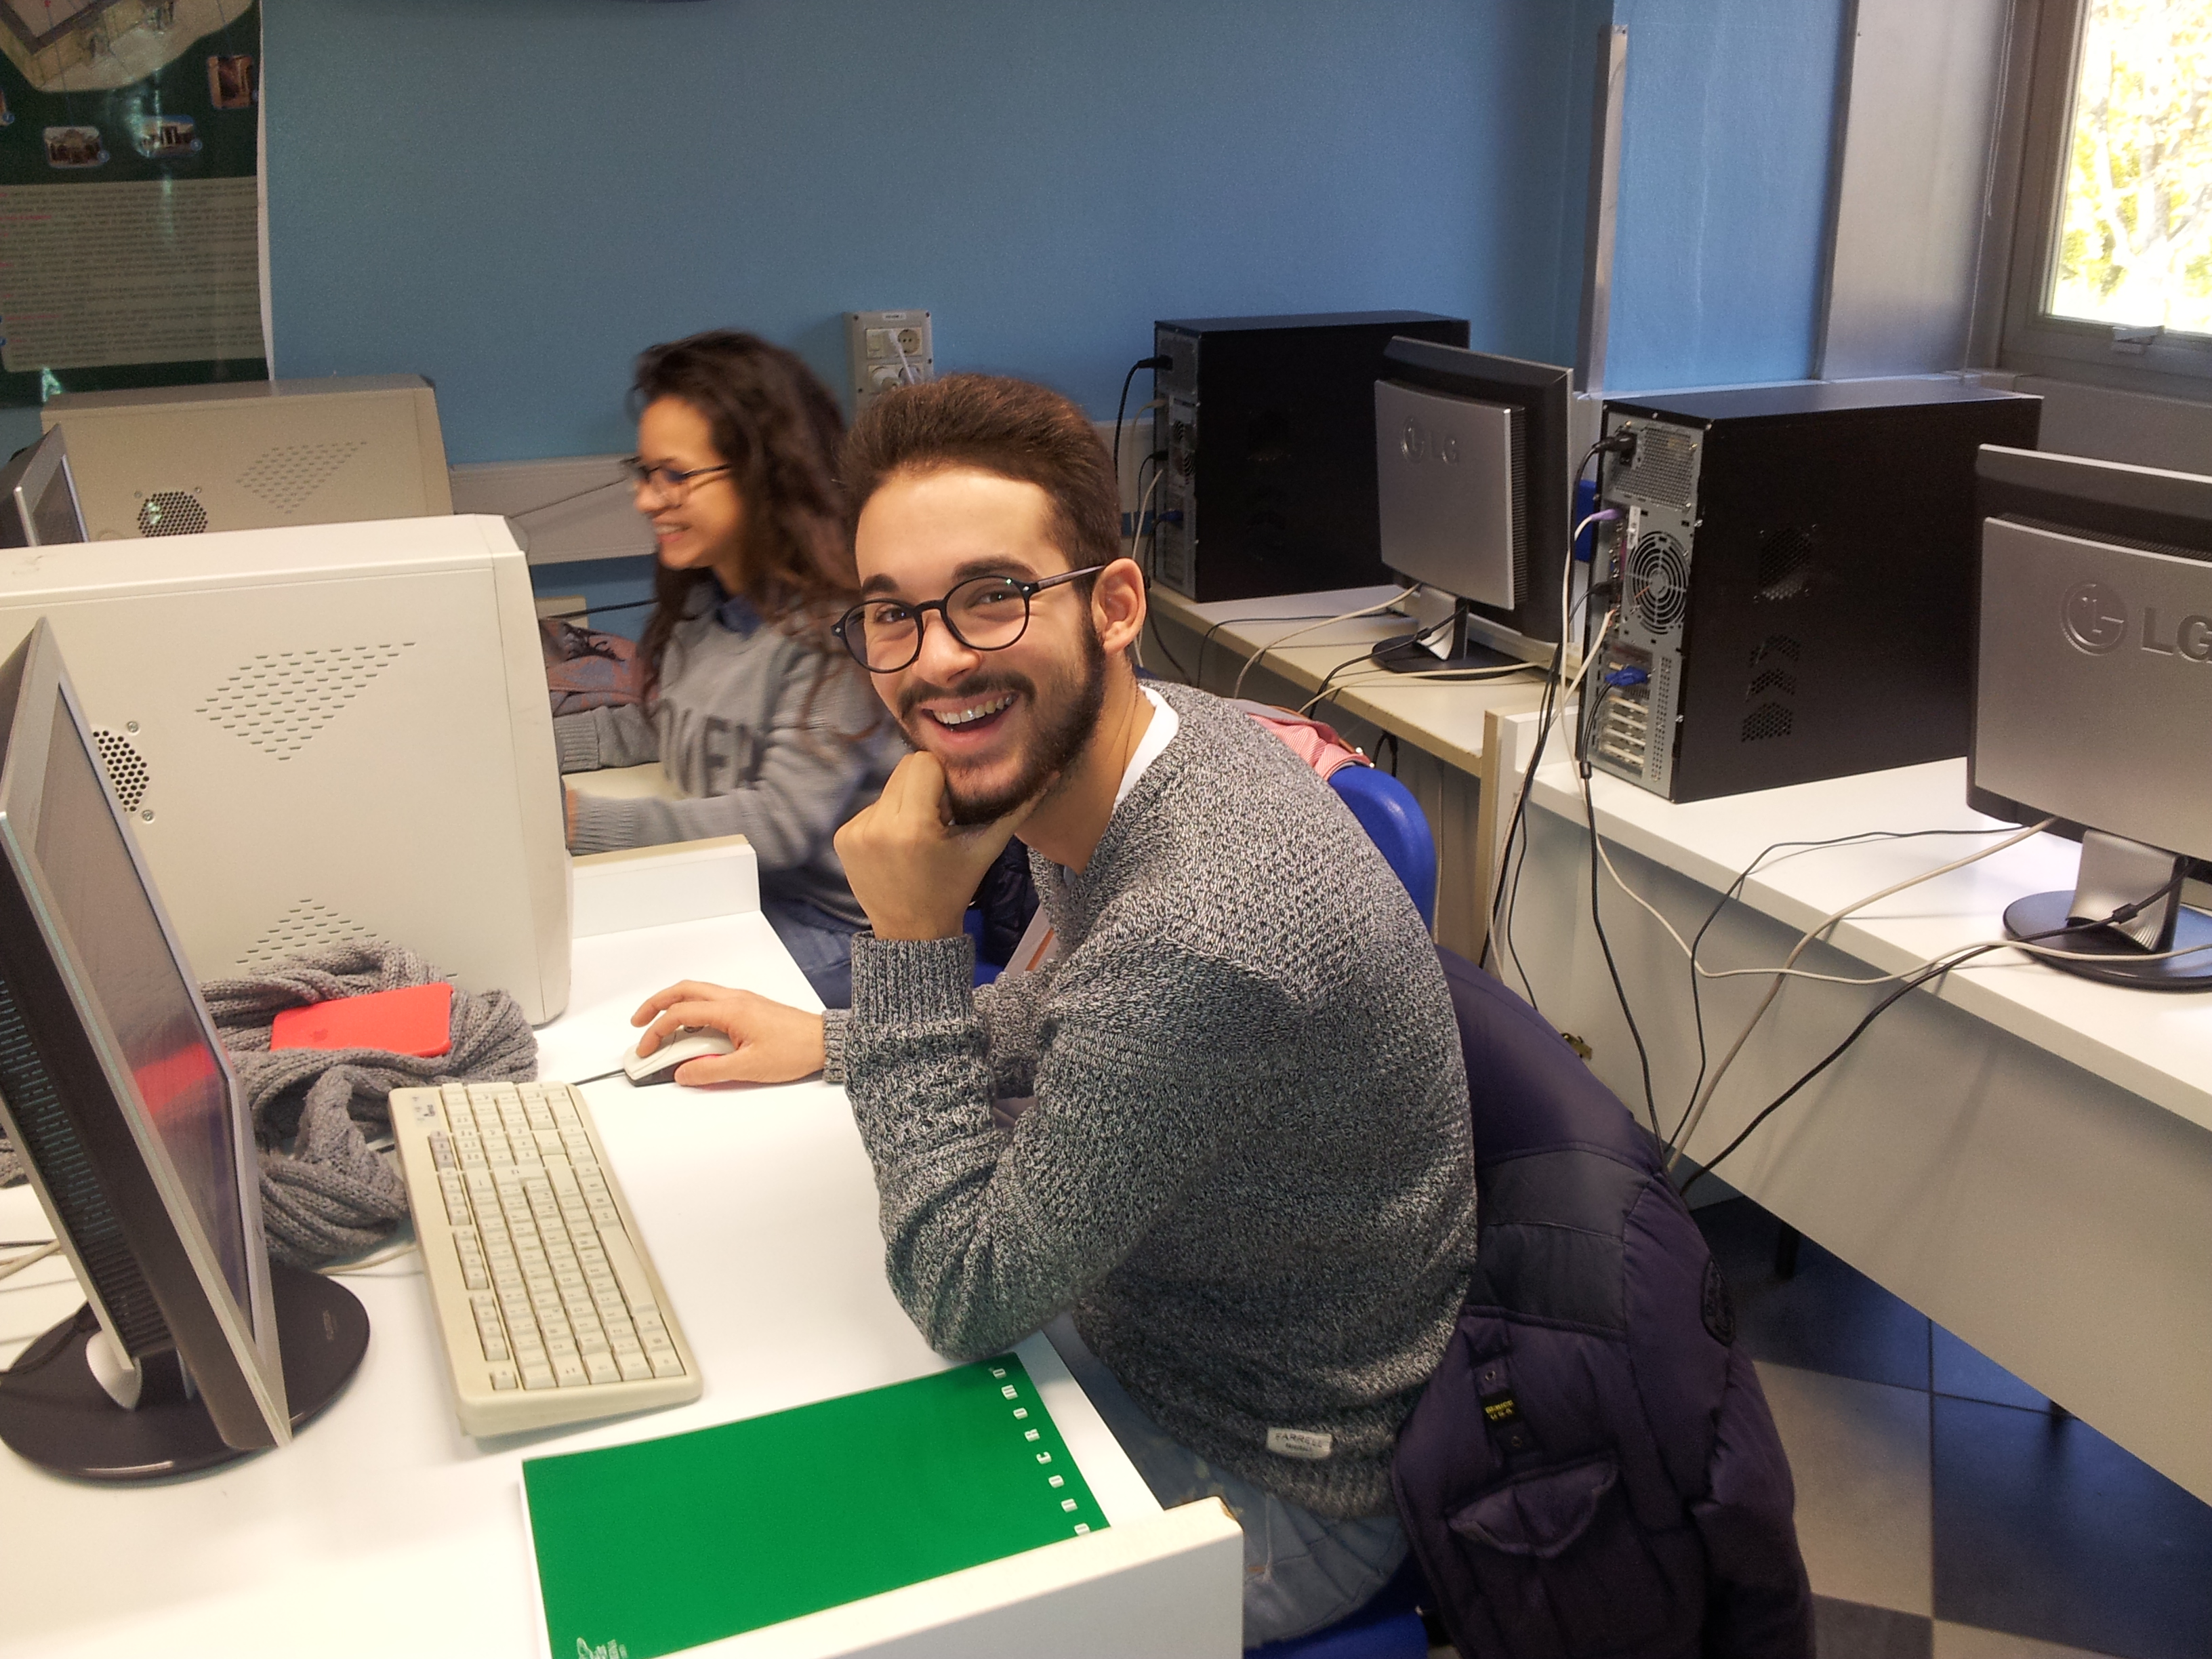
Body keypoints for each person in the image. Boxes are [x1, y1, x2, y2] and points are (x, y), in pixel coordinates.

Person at [627, 375, 1477, 1648]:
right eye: (892, 615)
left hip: (1266, 1470)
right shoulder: (1150, 739)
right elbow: (1089, 1009)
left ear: (1114, 604)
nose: (937, 661)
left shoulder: (1203, 926)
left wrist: (911, 949)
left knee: (752, 1572)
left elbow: (963, 1293)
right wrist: (839, 1039)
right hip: (1156, 1330)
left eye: (992, 595)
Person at [556, 330, 905, 1008]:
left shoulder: (835, 635)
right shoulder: (708, 604)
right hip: (736, 895)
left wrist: (580, 823)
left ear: (762, 475)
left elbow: (777, 823)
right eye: (644, 472)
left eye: (675, 476)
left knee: (609, 999)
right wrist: (519, 759)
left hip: (836, 935)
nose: (646, 499)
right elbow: (663, 722)